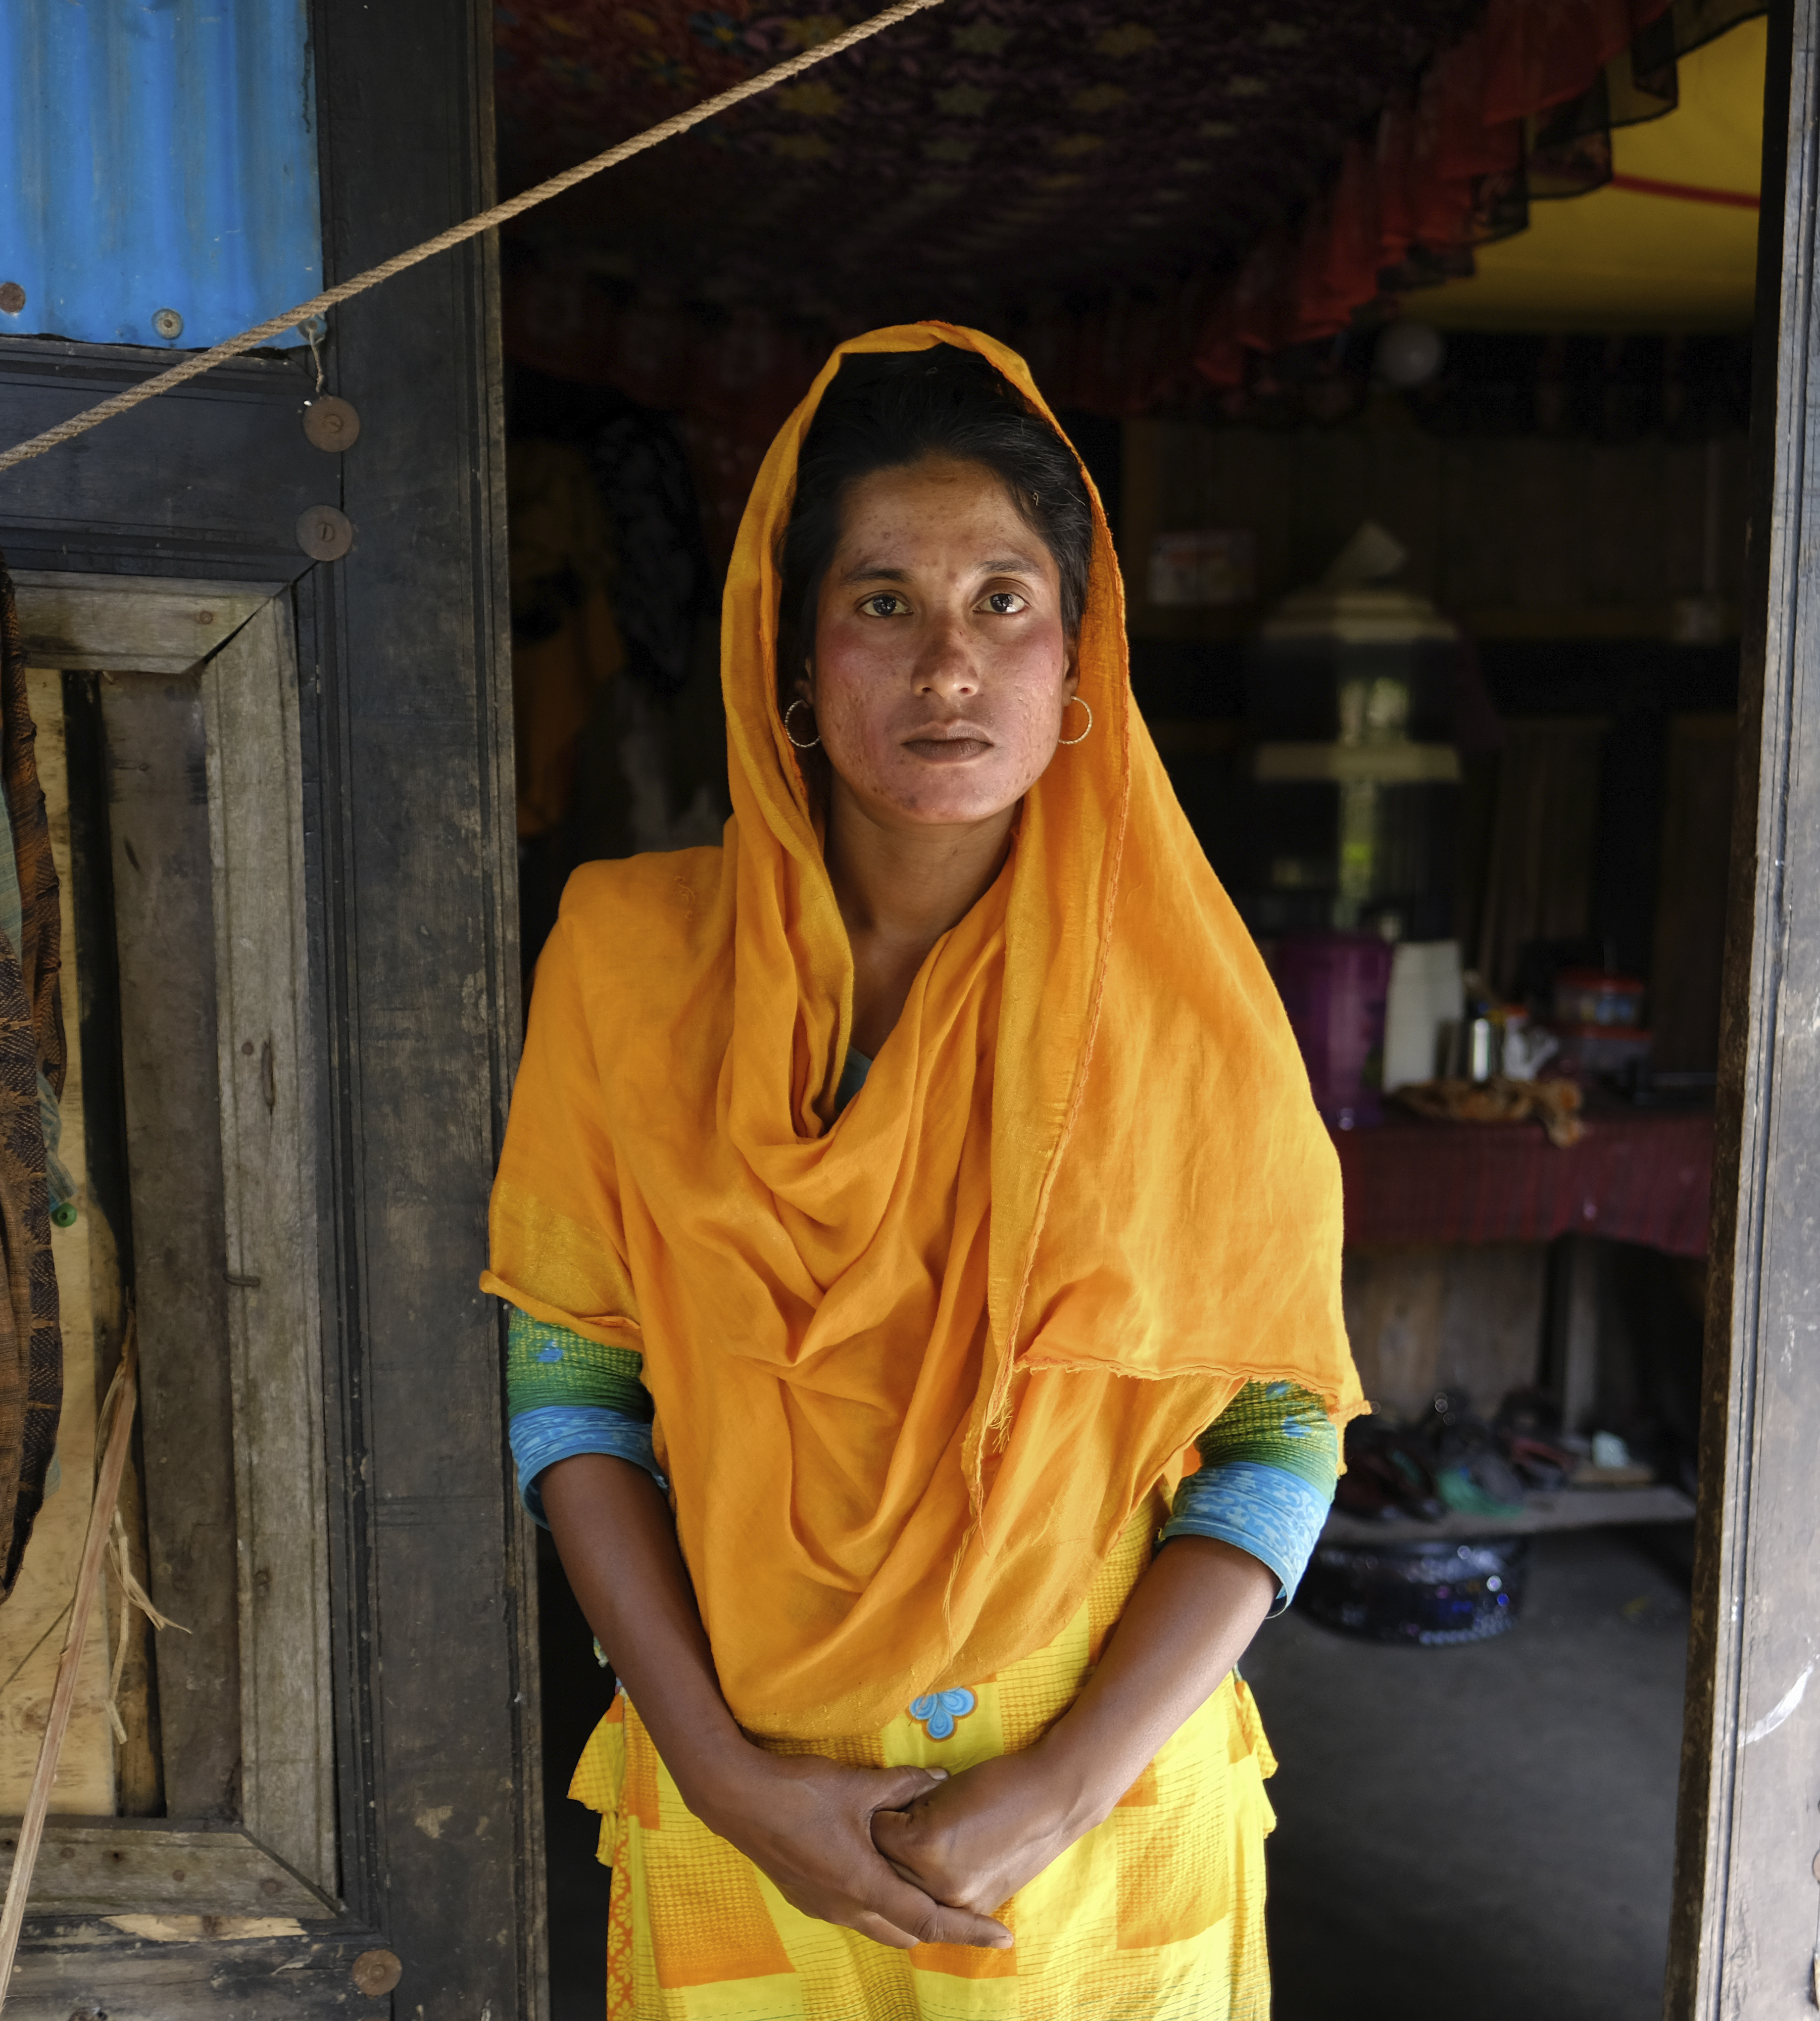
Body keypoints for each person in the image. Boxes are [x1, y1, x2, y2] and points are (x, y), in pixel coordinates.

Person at [484, 323, 1362, 2018]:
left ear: (1075, 658)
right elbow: (570, 1388)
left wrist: (1062, 1789)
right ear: (795, 661)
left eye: (1003, 601)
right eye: (883, 602)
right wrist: (731, 1780)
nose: (950, 662)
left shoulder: (1187, 1009)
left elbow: (1278, 1432)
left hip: (1097, 1830)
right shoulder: (627, 961)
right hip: (737, 1812)